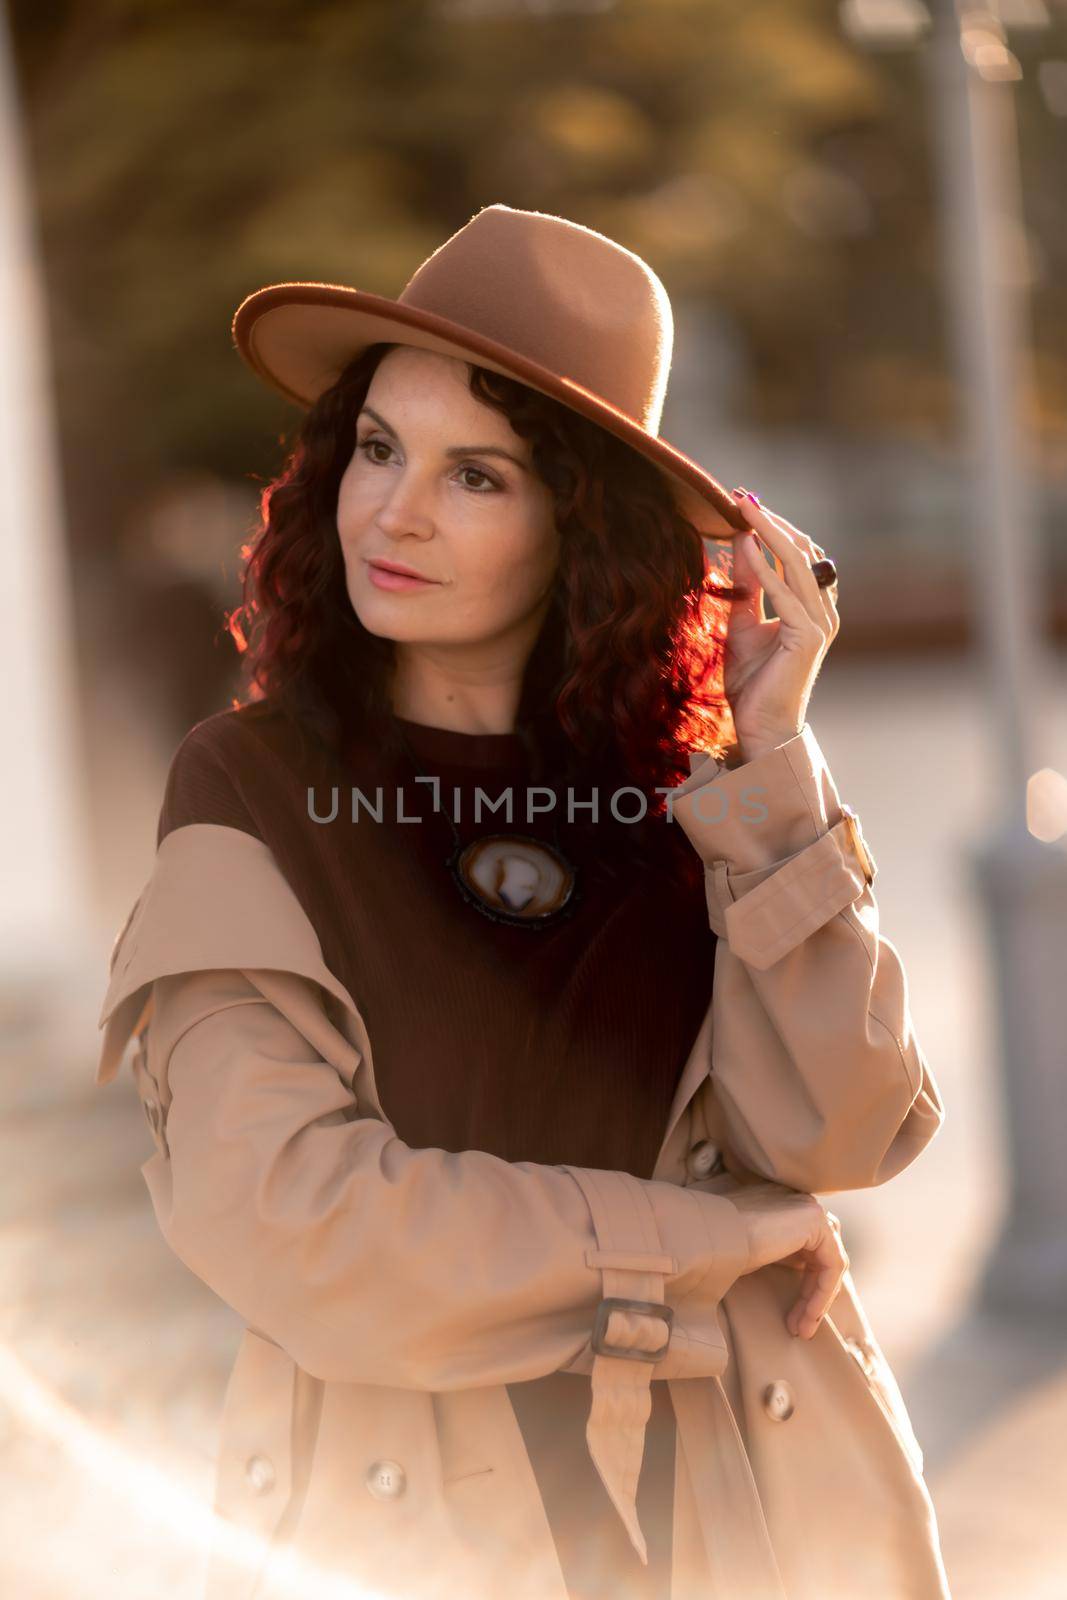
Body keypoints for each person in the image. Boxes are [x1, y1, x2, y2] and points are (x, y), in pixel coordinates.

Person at [96, 205, 951, 1600]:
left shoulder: (699, 795)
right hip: (405, 1535)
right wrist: (707, 1250)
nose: (395, 510)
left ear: (582, 523)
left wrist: (774, 758)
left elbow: (838, 1132)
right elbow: (294, 1225)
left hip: (735, 1513)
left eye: (477, 476)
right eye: (377, 448)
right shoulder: (249, 786)